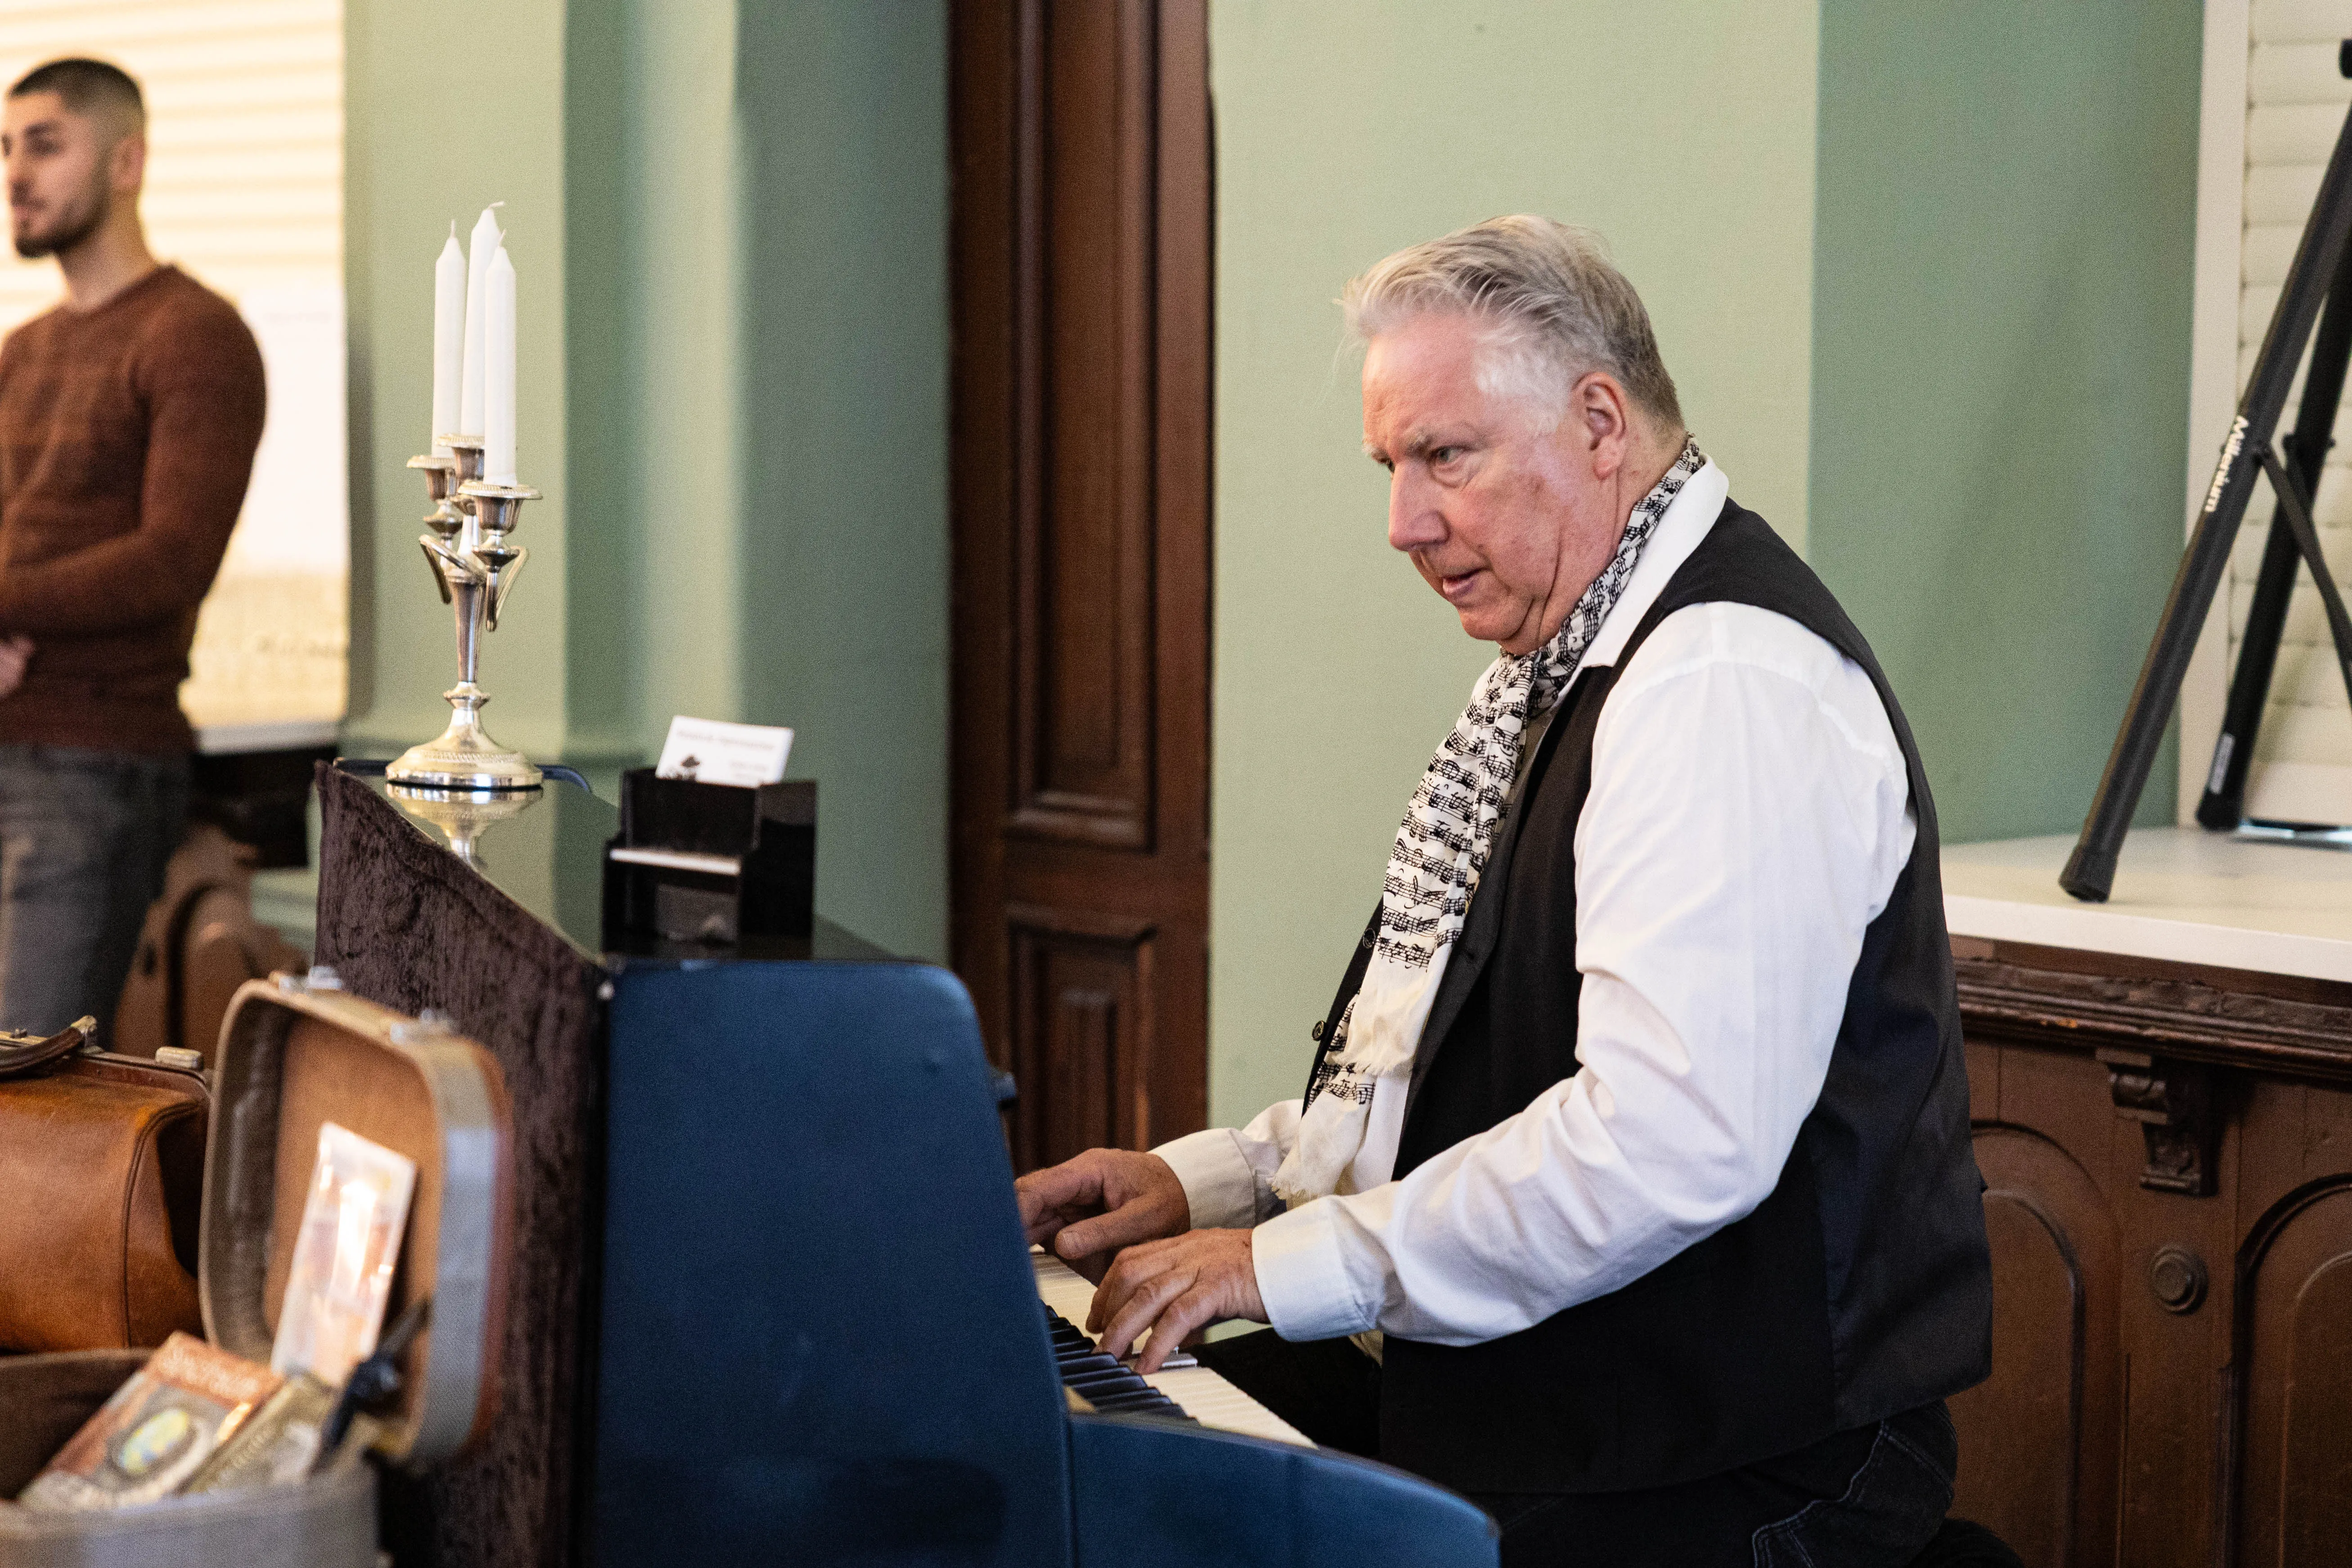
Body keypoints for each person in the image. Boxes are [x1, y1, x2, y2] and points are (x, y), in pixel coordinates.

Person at [1016, 217, 1993, 1567]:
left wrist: (1274, 1269)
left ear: (1599, 420)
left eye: (1443, 458)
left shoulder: (1721, 679)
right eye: (1391, 466)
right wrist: (1214, 1184)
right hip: (1536, 1399)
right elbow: (1441, 1067)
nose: (1403, 523)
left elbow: (1666, 1139)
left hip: (1731, 1456)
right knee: (1073, 1491)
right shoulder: (1569, 653)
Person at [0, 58, 265, 1038]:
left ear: (127, 162)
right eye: (6, 147)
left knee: (28, 1103)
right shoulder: (22, 353)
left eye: (45, 143)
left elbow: (170, 561)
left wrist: (7, 604)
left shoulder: (195, 336)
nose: (16, 174)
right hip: (11, 731)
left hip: (93, 767)